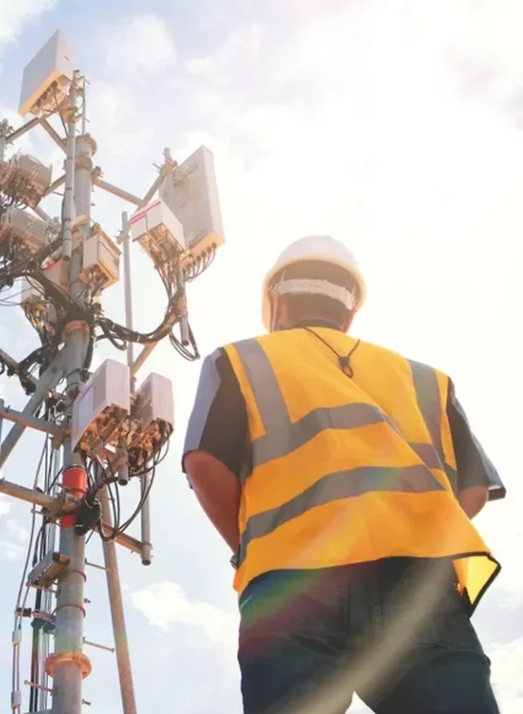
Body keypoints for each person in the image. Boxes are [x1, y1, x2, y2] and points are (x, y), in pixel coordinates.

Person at [181, 235, 506, 714]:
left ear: (277, 301)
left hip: (291, 580)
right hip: (417, 585)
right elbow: (474, 489)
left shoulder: (240, 359)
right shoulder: (426, 379)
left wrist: (248, 550)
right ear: (350, 311)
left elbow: (204, 463)